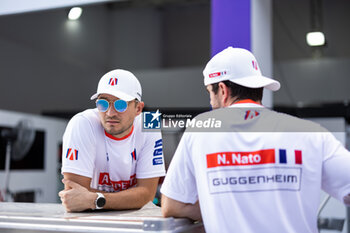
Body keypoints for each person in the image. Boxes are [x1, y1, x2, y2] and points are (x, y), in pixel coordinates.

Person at [160, 47, 350, 233]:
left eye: (210, 92)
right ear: (259, 88)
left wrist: (219, 208)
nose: (210, 101)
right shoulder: (310, 134)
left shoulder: (200, 130)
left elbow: (172, 205)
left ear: (223, 90)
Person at [59, 69, 165, 212]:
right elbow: (75, 197)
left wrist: (94, 199)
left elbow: (147, 194)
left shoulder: (149, 124)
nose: (110, 113)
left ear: (138, 108)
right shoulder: (82, 123)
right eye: (103, 103)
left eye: (120, 104)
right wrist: (129, 198)